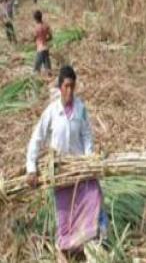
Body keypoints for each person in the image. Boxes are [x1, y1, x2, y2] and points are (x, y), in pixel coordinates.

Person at [26, 66, 108, 262]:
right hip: (61, 173)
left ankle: (94, 243)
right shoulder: (52, 112)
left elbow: (87, 135)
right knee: (65, 217)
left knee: (94, 199)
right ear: (60, 87)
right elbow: (37, 138)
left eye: (73, 86)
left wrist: (89, 159)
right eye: (66, 86)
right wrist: (31, 168)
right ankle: (65, 247)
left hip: (80, 169)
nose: (70, 91)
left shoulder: (80, 109)